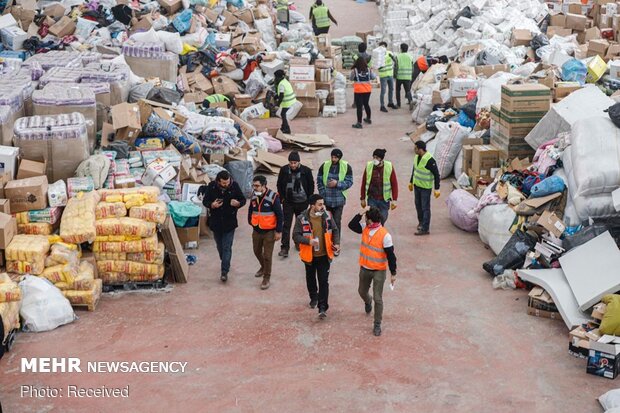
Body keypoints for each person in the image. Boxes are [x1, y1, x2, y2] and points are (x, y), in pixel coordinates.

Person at [348, 206, 397, 337]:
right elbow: (351, 225)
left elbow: (391, 256)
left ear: (369, 220)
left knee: (378, 298)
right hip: (365, 267)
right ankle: (367, 301)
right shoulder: (365, 227)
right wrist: (361, 212)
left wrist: (393, 273)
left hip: (379, 271)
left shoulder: (385, 235)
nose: (364, 219)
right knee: (361, 291)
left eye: (365, 218)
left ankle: (377, 324)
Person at [292, 194, 340, 319]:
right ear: (312, 205)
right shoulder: (302, 218)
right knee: (311, 279)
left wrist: (337, 243)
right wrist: (309, 242)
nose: (322, 206)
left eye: (323, 204)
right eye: (319, 204)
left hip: (324, 256)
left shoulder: (327, 216)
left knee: (324, 281)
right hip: (309, 257)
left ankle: (322, 307)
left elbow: (335, 230)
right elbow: (295, 236)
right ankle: (313, 297)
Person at [201, 170, 247, 282]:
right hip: (216, 222)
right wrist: (212, 205)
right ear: (218, 181)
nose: (226, 184)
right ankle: (225, 261)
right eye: (223, 183)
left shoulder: (234, 186)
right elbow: (205, 201)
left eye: (227, 182)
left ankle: (224, 271)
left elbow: (243, 199)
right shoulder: (212, 187)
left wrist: (238, 204)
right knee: (220, 247)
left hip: (229, 223)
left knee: (227, 247)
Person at [277, 151, 314, 258]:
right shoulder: (284, 170)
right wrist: (282, 198)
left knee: (301, 225)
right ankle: (284, 248)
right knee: (286, 225)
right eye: (291, 163)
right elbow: (279, 184)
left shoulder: (306, 171)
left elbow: (311, 185)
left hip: (302, 202)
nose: (293, 165)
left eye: (295, 163)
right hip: (288, 202)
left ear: (299, 162)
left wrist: (309, 200)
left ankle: (298, 242)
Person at [248, 175, 283, 290]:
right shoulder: (254, 196)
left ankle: (266, 278)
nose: (255, 188)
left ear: (264, 186)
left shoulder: (273, 197)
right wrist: (251, 221)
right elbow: (250, 209)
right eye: (254, 185)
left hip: (269, 232)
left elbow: (280, 215)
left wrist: (278, 231)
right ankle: (263, 267)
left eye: (257, 186)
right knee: (256, 251)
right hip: (256, 230)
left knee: (267, 256)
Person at [316, 148, 353, 244]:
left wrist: (337, 184)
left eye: (336, 157)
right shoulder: (325, 165)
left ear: (340, 158)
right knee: (325, 221)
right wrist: (322, 193)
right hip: (326, 199)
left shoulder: (346, 166)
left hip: (339, 200)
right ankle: (327, 241)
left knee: (336, 222)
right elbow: (319, 180)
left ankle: (336, 243)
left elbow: (349, 182)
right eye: (332, 157)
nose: (333, 159)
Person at [408, 140, 441, 236]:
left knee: (425, 207)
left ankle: (425, 228)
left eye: (415, 148)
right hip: (417, 186)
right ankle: (421, 222)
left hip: (425, 188)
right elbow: (414, 170)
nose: (414, 150)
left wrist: (437, 188)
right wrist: (411, 181)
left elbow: (436, 175)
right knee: (418, 205)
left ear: (420, 149)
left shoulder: (430, 160)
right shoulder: (416, 157)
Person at [360, 148, 398, 224]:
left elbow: (394, 184)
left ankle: (379, 233)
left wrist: (394, 200)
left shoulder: (389, 166)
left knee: (382, 219)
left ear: (381, 159)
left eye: (377, 158)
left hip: (384, 200)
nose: (374, 159)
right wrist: (362, 198)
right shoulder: (369, 166)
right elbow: (364, 182)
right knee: (371, 220)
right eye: (373, 157)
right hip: (372, 199)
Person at [350, 57, 376, 129]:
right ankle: (368, 118)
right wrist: (371, 71)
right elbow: (373, 77)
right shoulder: (368, 70)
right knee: (366, 104)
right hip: (367, 90)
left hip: (358, 91)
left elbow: (351, 78)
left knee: (359, 107)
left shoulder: (354, 71)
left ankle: (359, 123)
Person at [274, 69, 297, 134]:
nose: (275, 78)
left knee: (283, 114)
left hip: (288, 102)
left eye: (275, 77)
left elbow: (281, 96)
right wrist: (276, 96)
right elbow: (282, 93)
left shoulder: (281, 84)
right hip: (292, 101)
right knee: (283, 114)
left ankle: (287, 129)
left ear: (279, 77)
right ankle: (283, 127)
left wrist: (277, 105)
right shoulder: (285, 81)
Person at [377, 42, 396, 113]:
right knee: (383, 91)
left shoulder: (389, 53)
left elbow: (395, 61)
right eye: (380, 47)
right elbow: (376, 65)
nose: (382, 48)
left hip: (390, 74)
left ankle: (390, 103)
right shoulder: (378, 55)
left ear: (386, 47)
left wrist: (392, 57)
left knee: (391, 89)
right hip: (383, 76)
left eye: (383, 47)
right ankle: (382, 105)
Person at [395, 43, 413, 110]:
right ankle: (410, 100)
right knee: (408, 90)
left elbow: (396, 67)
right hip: (407, 76)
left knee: (398, 90)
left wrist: (395, 75)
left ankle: (398, 104)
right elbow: (412, 67)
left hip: (399, 76)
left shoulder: (398, 56)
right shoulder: (410, 56)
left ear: (401, 49)